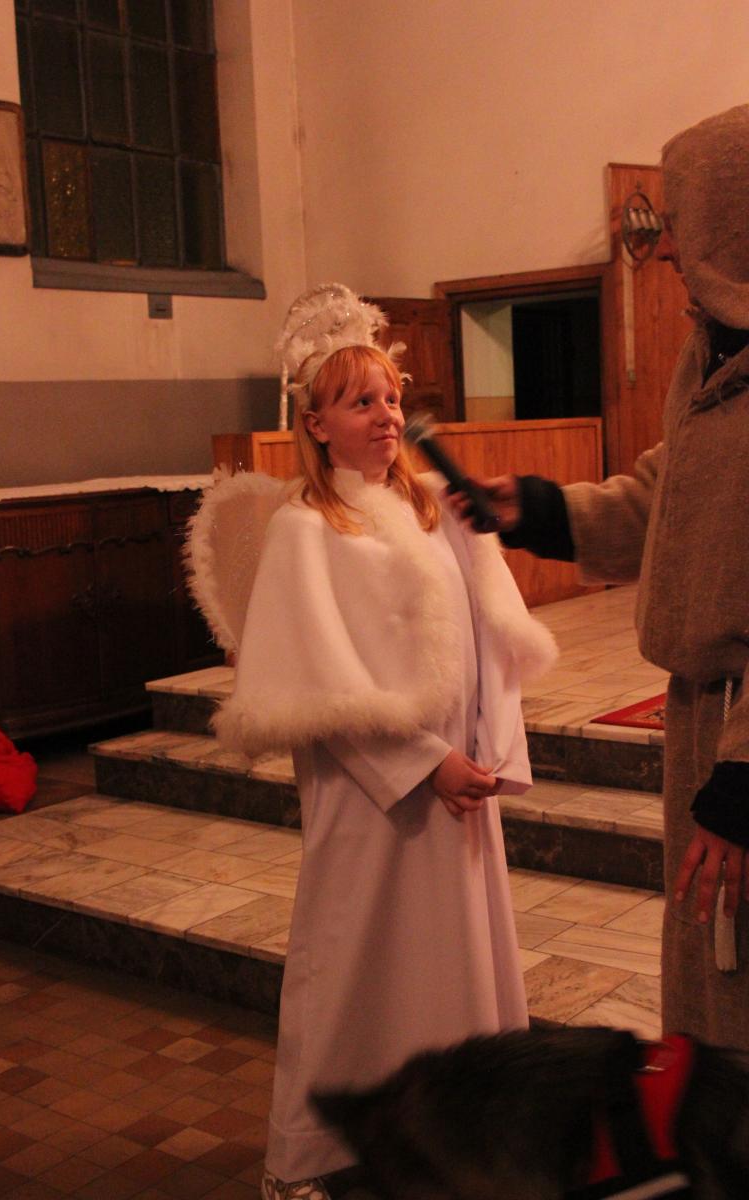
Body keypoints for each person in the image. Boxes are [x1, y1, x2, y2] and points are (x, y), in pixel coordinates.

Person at [188, 283, 557, 1200]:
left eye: (392, 396)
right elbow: (317, 689)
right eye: (362, 401)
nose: (388, 414)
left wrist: (488, 752)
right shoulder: (307, 531)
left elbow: (492, 638)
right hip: (374, 799)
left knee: (457, 968)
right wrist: (426, 764)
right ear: (316, 424)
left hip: (458, 785)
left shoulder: (436, 510)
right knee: (356, 972)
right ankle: (311, 1160)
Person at [454, 104, 749, 1052]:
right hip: (705, 724)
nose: (668, 254)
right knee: (715, 974)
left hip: (744, 738)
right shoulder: (712, 358)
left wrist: (742, 785)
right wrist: (535, 511)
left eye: (687, 225)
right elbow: (661, 495)